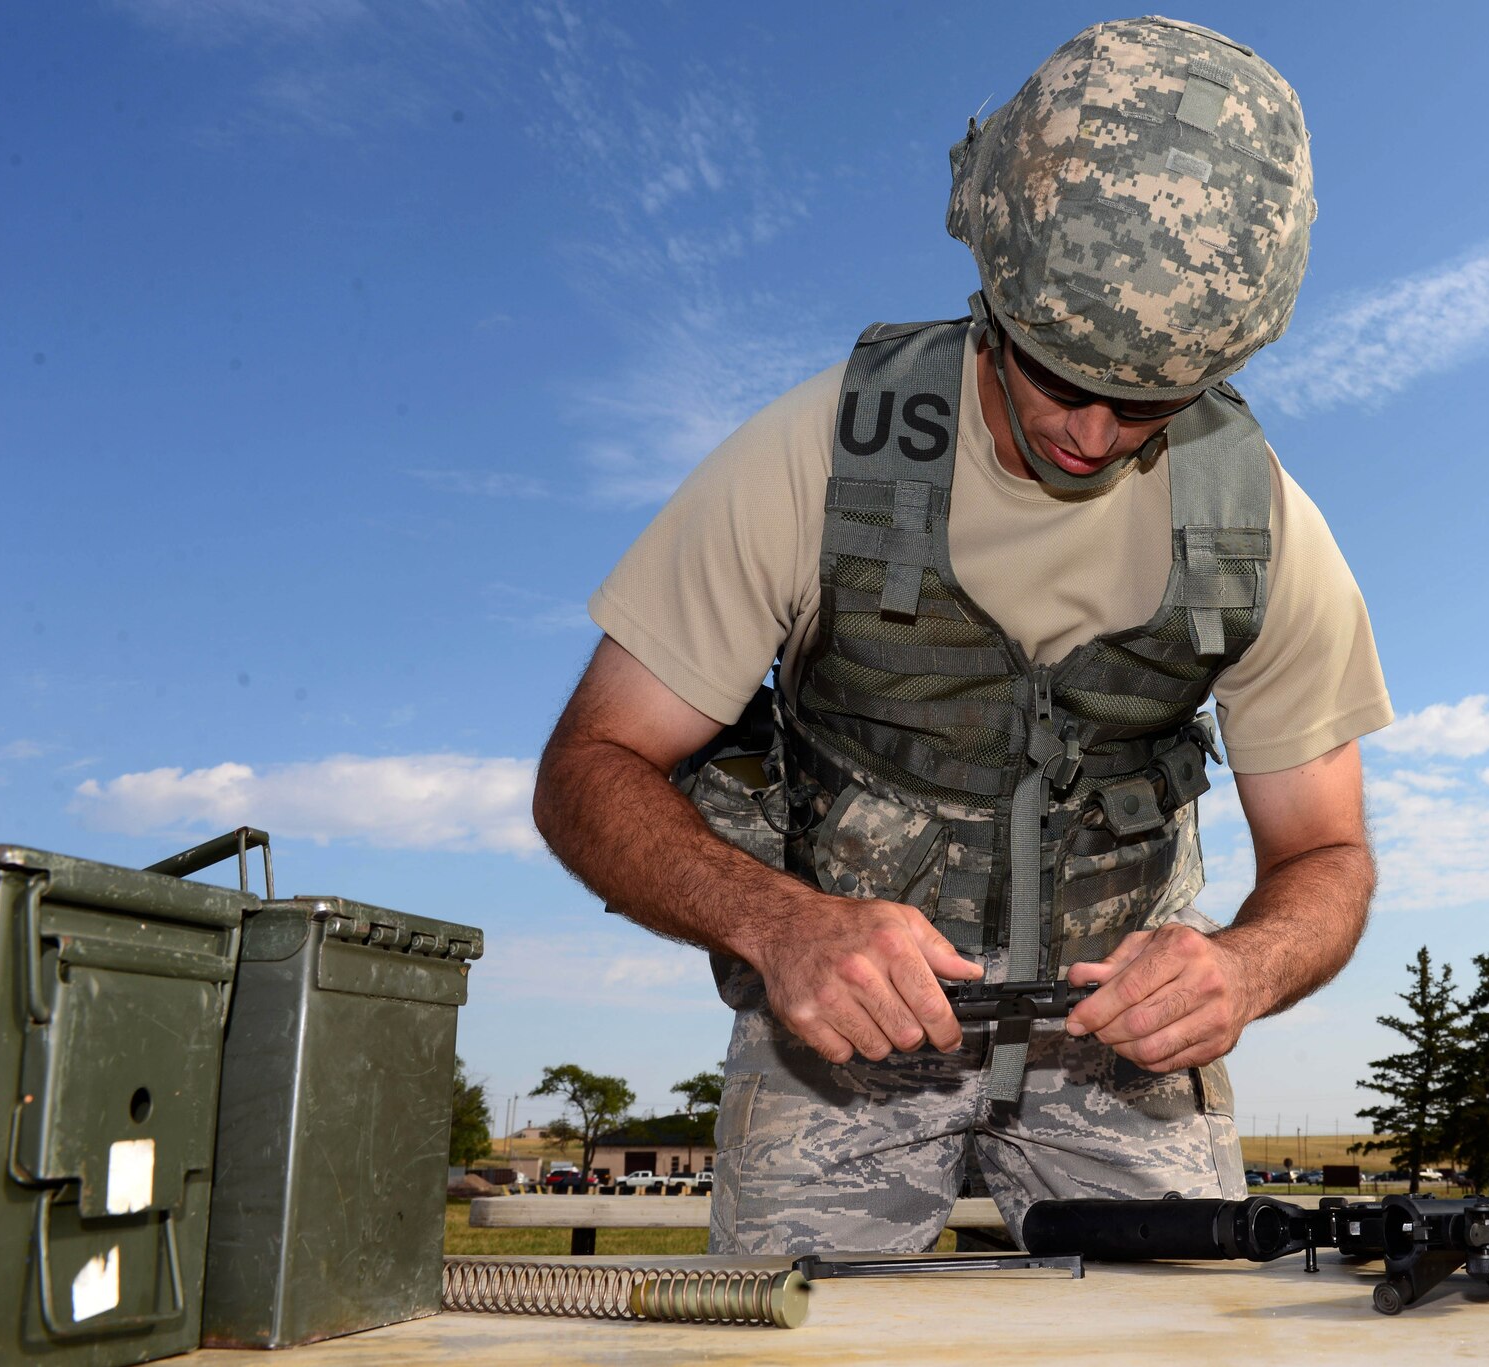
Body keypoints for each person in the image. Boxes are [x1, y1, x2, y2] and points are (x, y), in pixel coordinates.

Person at [532, 16, 1391, 1255]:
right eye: (1059, 370)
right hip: (841, 1034)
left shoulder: (1257, 524)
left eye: (1148, 399)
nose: (1094, 432)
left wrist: (1242, 969)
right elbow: (588, 767)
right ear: (992, 286)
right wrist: (781, 928)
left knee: (1188, 1336)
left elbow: (1327, 850)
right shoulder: (815, 458)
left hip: (1121, 1052)